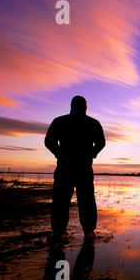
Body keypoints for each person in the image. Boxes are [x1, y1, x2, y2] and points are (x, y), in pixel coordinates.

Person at [45, 95, 105, 240]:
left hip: (75, 167)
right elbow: (101, 143)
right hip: (74, 167)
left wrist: (59, 154)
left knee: (67, 200)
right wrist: (93, 153)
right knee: (77, 200)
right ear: (85, 107)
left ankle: (65, 232)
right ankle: (84, 232)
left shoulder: (61, 121)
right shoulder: (91, 123)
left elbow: (49, 141)